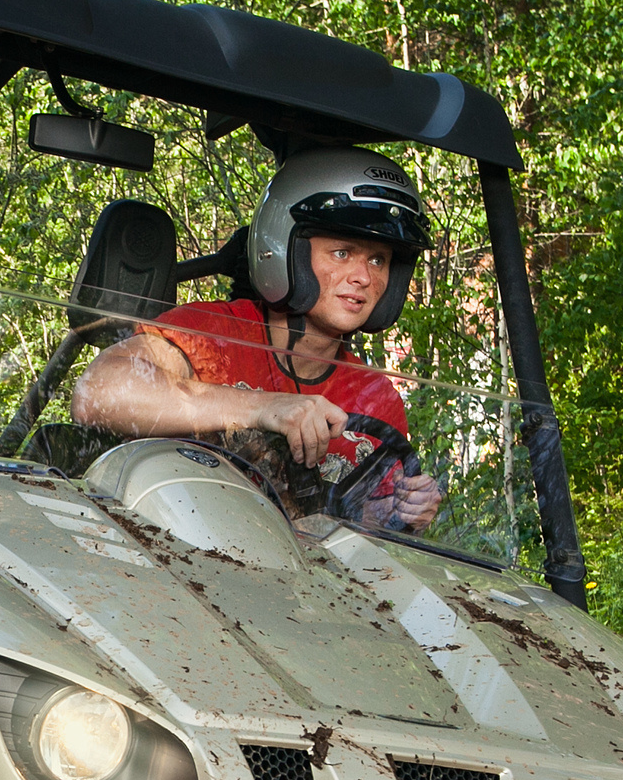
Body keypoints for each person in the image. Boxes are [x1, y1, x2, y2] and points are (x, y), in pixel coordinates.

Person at [73, 145, 443, 533]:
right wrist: (264, 407)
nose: (364, 277)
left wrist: (400, 512)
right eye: (341, 253)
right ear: (287, 251)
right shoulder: (212, 334)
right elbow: (97, 393)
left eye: (378, 260)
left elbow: (356, 535)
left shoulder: (376, 398)